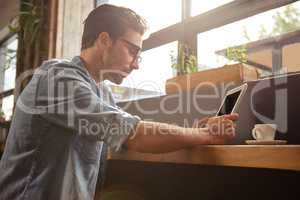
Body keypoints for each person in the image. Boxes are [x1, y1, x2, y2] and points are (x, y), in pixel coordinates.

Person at [0, 4, 238, 200]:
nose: (136, 64)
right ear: (104, 40)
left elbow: (123, 136)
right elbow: (134, 134)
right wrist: (206, 135)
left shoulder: (102, 93)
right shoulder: (58, 78)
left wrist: (194, 132)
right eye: (132, 50)